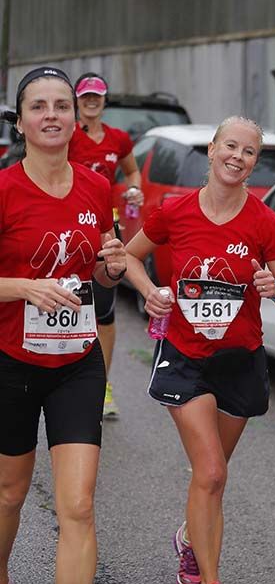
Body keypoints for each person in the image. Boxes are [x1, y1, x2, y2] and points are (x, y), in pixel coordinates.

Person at [124, 116, 275, 584]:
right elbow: (127, 256)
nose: (236, 157)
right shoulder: (175, 211)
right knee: (212, 471)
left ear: (255, 163)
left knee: (211, 479)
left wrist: (274, 289)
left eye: (248, 152)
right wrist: (148, 290)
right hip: (185, 357)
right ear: (212, 149)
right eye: (230, 146)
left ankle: (190, 536)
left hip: (239, 360)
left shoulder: (265, 222)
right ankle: (207, 576)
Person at [0, 66, 127, 584]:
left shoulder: (98, 187)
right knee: (10, 491)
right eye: (38, 106)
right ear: (21, 122)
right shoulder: (4, 188)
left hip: (78, 361)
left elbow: (99, 269)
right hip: (10, 361)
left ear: (77, 117)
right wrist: (24, 287)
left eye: (61, 105)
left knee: (77, 504)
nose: (51, 115)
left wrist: (111, 266)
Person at [68, 72, 144, 419]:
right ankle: (55, 378)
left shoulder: (118, 138)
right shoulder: (67, 135)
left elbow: (132, 172)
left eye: (97, 95)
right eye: (85, 96)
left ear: (104, 99)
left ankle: (102, 384)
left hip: (105, 228)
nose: (92, 101)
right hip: (67, 226)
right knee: (64, 300)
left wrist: (132, 190)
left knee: (103, 310)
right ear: (77, 100)